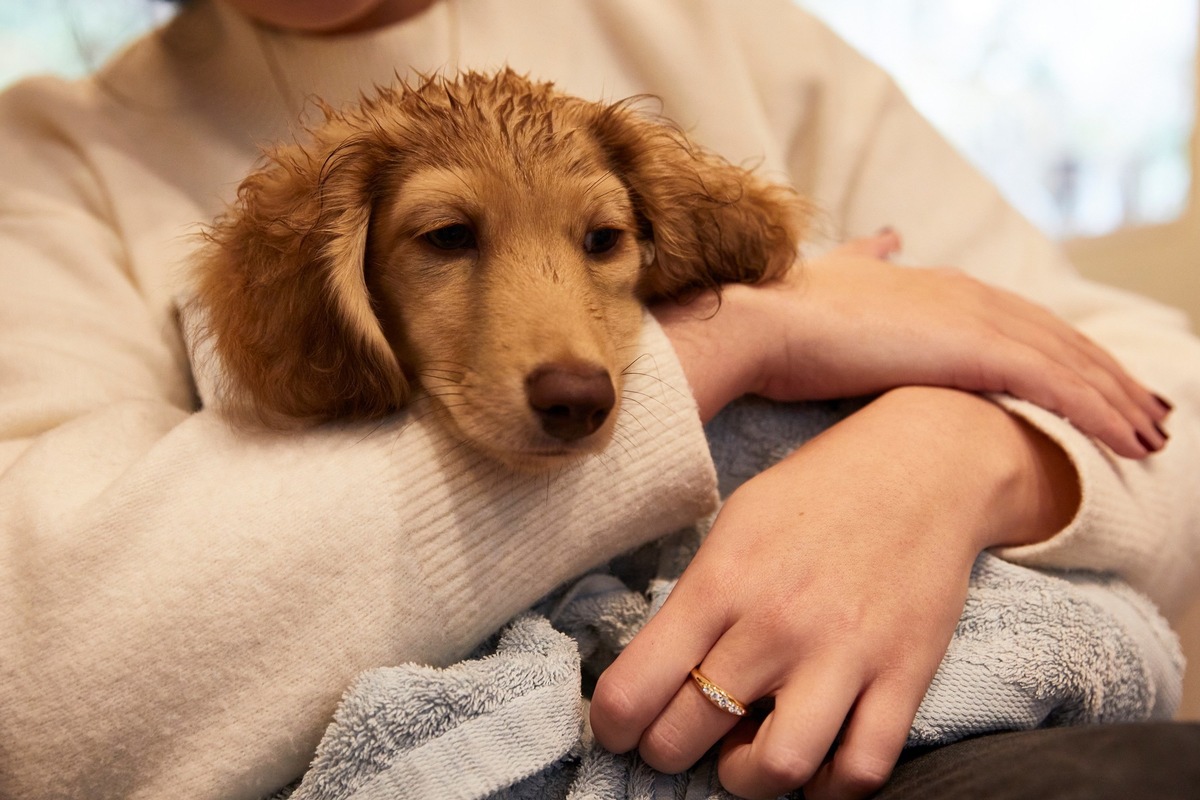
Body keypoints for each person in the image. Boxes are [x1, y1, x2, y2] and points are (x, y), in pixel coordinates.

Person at [0, 1, 1196, 798]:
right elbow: (43, 693)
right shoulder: (53, 155)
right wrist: (745, 336)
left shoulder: (723, 31)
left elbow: (1164, 389)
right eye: (450, 234)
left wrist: (955, 452)